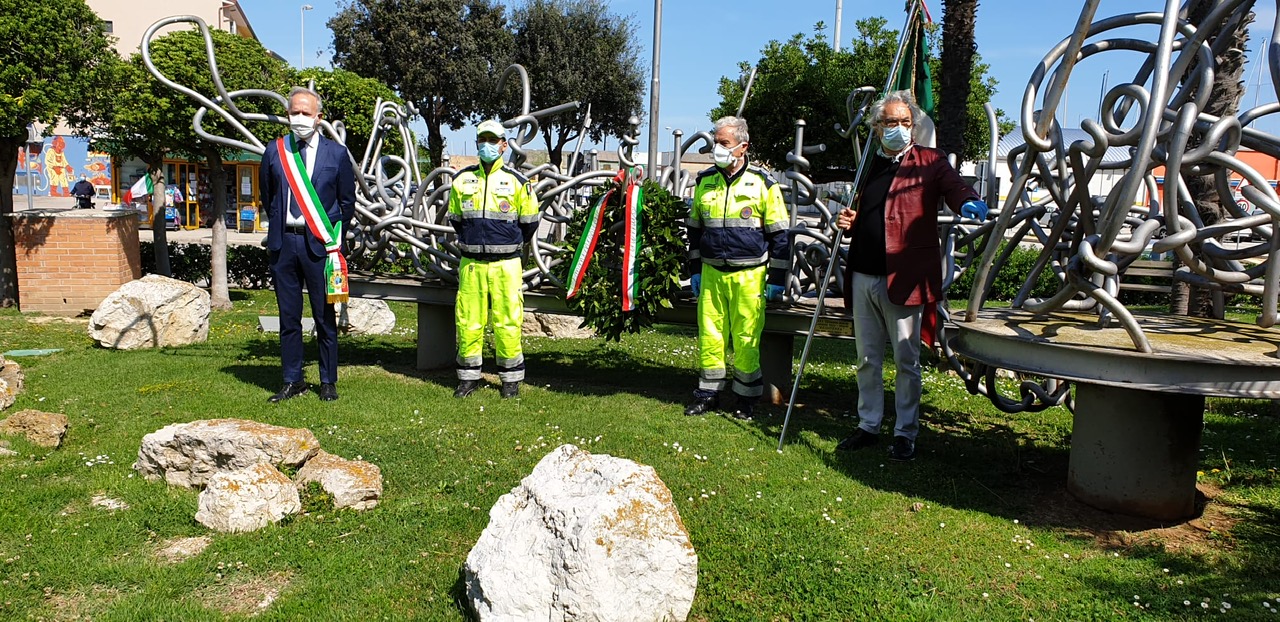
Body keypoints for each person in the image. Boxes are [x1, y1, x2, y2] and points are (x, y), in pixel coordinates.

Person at [833, 90, 988, 461]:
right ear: (876, 127)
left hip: (904, 276)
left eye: (905, 122)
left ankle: (905, 432)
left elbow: (953, 186)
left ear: (914, 127)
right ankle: (868, 423)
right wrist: (849, 222)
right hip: (863, 276)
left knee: (906, 359)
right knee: (867, 359)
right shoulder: (867, 167)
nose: (899, 129)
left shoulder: (929, 162)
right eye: (891, 122)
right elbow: (864, 212)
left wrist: (967, 200)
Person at [683, 116, 789, 420]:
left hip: (750, 276)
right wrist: (695, 270)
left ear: (742, 147)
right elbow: (694, 230)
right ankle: (708, 394)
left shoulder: (763, 183)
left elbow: (780, 235)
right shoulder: (704, 181)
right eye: (716, 141)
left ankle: (745, 399)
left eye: (723, 143)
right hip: (712, 273)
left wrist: (777, 279)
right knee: (710, 337)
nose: (717, 147)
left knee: (746, 340)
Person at [259, 86, 356, 403]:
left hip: (320, 246)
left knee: (324, 317)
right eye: (294, 112)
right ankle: (292, 380)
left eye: (306, 112)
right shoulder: (275, 151)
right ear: (288, 114)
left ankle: (328, 380)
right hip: (284, 243)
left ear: (319, 117)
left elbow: (346, 202)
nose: (299, 118)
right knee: (288, 318)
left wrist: (333, 235)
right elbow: (267, 196)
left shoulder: (337, 154)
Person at [448, 120, 540, 399]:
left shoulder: (517, 182)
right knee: (468, 321)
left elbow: (530, 222)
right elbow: (456, 219)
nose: (487, 144)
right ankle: (468, 379)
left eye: (493, 139)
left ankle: (510, 381)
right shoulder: (461, 180)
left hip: (506, 264)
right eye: (482, 139)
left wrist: (505, 243)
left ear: (503, 144)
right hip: (472, 263)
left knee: (508, 321)